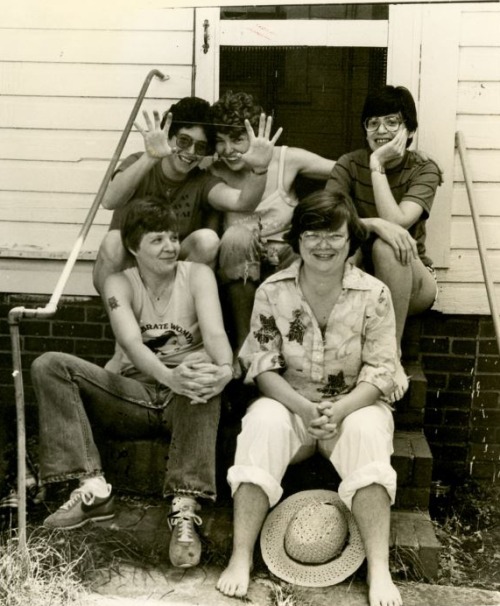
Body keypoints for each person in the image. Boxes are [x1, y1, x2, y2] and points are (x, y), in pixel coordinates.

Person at [216, 189, 402, 606]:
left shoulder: (375, 294)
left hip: (352, 408)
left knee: (370, 430)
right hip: (292, 408)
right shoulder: (272, 291)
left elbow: (381, 370)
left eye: (334, 235)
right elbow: (262, 366)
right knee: (261, 421)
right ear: (297, 240)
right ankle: (241, 556)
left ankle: (378, 568)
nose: (323, 244)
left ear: (351, 239)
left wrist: (340, 408)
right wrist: (303, 408)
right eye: (312, 234)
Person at [31, 197, 235, 569]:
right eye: (157, 240)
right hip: (134, 394)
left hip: (185, 398)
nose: (170, 247)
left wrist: (224, 369)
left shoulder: (197, 275)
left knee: (201, 377)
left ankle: (185, 508)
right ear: (132, 247)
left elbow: (216, 334)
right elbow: (131, 343)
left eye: (173, 237)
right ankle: (92, 487)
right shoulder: (118, 282)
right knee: (49, 365)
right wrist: (168, 375)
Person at [92, 95, 282, 294]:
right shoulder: (139, 163)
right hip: (128, 270)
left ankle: (174, 318)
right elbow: (109, 200)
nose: (191, 151)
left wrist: (259, 169)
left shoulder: (202, 181)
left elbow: (243, 202)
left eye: (200, 147)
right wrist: (149, 157)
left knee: (207, 240)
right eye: (184, 141)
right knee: (113, 241)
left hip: (168, 275)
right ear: (169, 137)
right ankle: (118, 317)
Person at [325, 85, 442, 401]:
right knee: (352, 249)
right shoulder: (349, 164)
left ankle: (390, 356)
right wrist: (373, 223)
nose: (381, 130)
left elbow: (399, 222)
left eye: (392, 122)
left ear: (410, 129)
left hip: (412, 282)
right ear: (364, 128)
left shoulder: (424, 169)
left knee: (387, 246)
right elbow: (327, 221)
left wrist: (376, 166)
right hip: (361, 275)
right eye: (373, 122)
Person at [210, 91, 335, 352]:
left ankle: (296, 350)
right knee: (236, 236)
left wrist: (396, 161)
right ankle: (246, 346)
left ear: (256, 135)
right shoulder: (213, 168)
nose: (229, 150)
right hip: (238, 269)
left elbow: (345, 169)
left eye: (237, 139)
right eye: (220, 141)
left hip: (286, 260)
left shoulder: (285, 159)